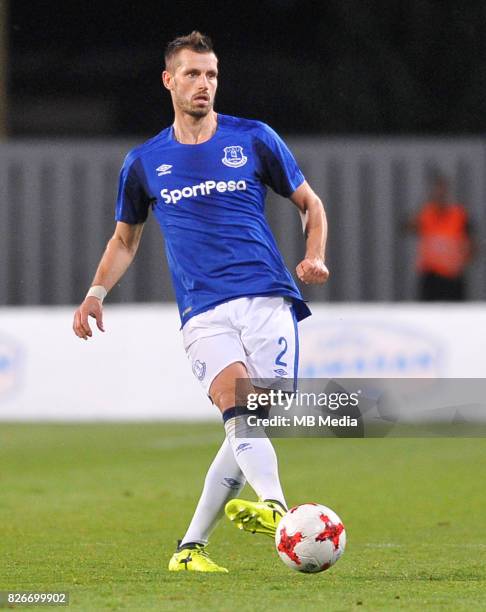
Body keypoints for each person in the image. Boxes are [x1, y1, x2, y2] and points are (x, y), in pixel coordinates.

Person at [72, 31, 329, 573]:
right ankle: (279, 510)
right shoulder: (145, 162)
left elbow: (310, 203)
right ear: (169, 80)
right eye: (192, 74)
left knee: (253, 420)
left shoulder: (254, 138)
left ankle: (189, 550)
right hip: (204, 310)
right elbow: (126, 239)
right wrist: (96, 292)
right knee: (237, 407)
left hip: (268, 299)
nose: (203, 84)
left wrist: (315, 255)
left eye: (211, 74)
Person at [407, 174, 474, 301]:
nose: (440, 194)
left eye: (443, 190)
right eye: (437, 191)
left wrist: (467, 256)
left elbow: (471, 242)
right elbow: (408, 226)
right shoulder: (425, 214)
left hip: (453, 275)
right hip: (431, 276)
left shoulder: (459, 215)